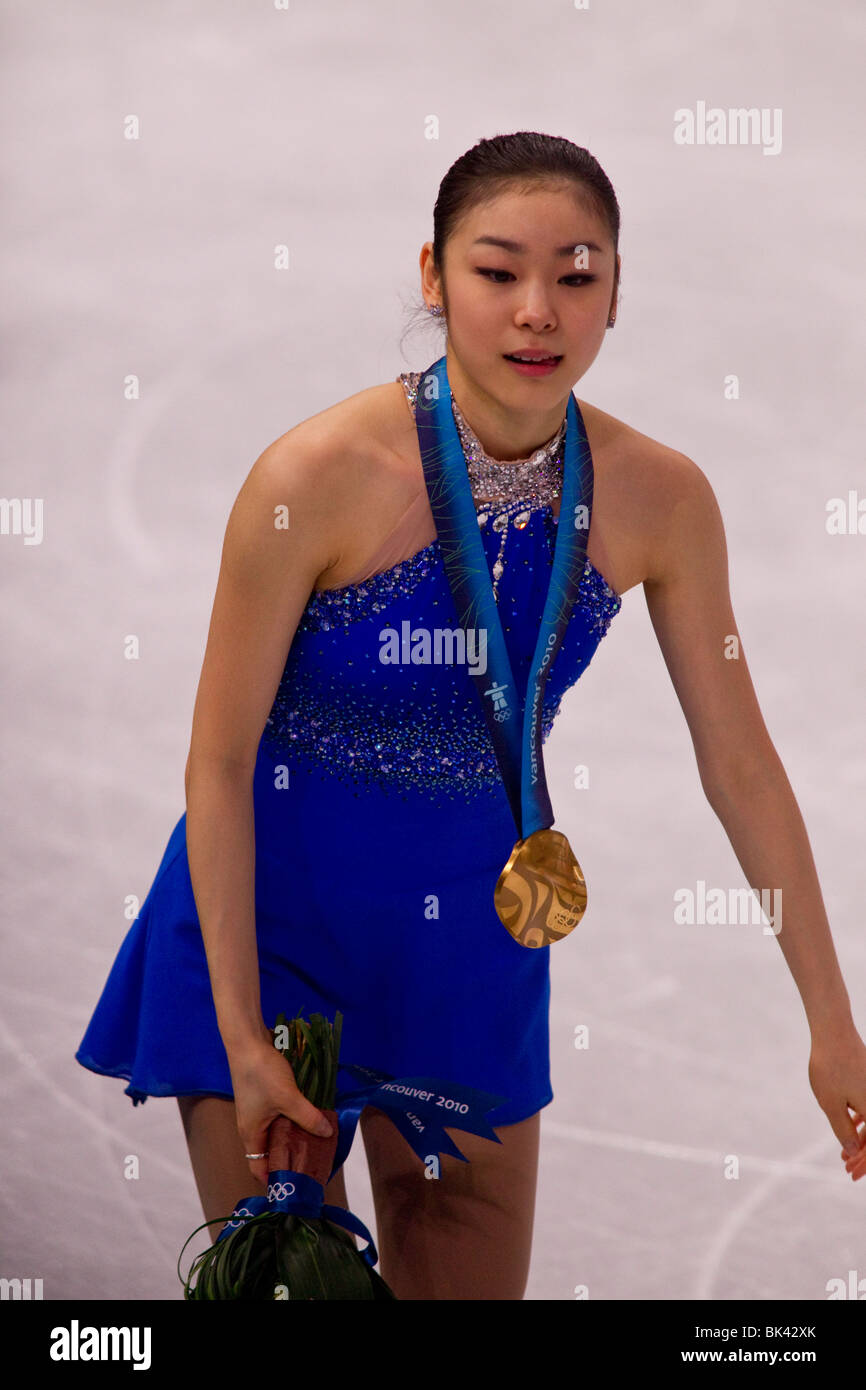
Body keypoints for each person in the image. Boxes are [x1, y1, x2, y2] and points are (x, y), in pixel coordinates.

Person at [76, 130, 866, 1302]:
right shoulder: (314, 478)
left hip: (470, 954)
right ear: (434, 277)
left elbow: (739, 765)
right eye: (497, 272)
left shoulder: (659, 500)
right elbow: (219, 760)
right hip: (275, 940)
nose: (537, 310)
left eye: (576, 274)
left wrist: (830, 1023)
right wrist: (239, 1037)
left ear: (615, 292)